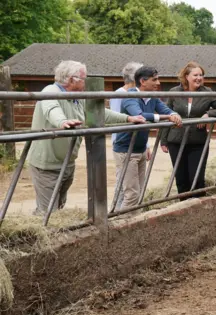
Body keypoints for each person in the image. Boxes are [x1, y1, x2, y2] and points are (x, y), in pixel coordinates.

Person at [26, 60, 145, 215]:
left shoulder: (78, 97)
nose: (86, 82)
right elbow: (51, 110)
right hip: (47, 164)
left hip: (67, 161)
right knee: (48, 211)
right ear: (71, 80)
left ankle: (51, 232)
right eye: (84, 79)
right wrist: (63, 122)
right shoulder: (50, 91)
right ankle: (44, 234)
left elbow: (101, 113)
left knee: (59, 205)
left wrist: (127, 118)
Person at [114, 66, 182, 210]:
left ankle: (128, 221)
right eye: (154, 79)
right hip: (126, 150)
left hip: (139, 148)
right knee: (131, 194)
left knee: (138, 192)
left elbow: (165, 109)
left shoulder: (152, 97)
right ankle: (123, 225)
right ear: (143, 81)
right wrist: (167, 117)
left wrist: (174, 114)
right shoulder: (130, 96)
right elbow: (140, 116)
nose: (158, 83)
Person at [162, 61, 216, 199]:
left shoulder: (208, 92)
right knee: (181, 178)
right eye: (196, 75)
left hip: (197, 141)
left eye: (201, 75)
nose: (199, 78)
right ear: (186, 76)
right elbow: (166, 113)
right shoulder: (174, 92)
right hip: (175, 140)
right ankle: (183, 207)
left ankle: (199, 208)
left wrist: (208, 115)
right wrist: (163, 140)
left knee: (197, 178)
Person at [109, 62, 143, 210]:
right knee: (123, 183)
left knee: (131, 184)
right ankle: (116, 213)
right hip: (123, 143)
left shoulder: (136, 94)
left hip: (135, 143)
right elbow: (117, 119)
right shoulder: (119, 95)